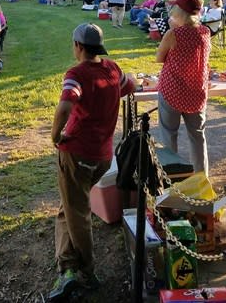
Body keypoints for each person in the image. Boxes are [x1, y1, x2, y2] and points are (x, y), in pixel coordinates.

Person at [48, 23, 136, 299]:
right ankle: (67, 268)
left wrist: (55, 135)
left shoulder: (77, 73)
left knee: (78, 213)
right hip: (102, 156)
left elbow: (65, 105)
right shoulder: (112, 69)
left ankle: (86, 271)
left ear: (79, 46)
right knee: (68, 208)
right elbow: (128, 85)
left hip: (78, 153)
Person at [156, 0, 211, 175]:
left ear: (180, 12)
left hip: (173, 89)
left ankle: (172, 176)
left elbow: (159, 58)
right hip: (197, 91)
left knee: (169, 135)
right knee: (198, 137)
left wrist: (172, 31)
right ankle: (202, 177)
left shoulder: (173, 34)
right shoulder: (205, 32)